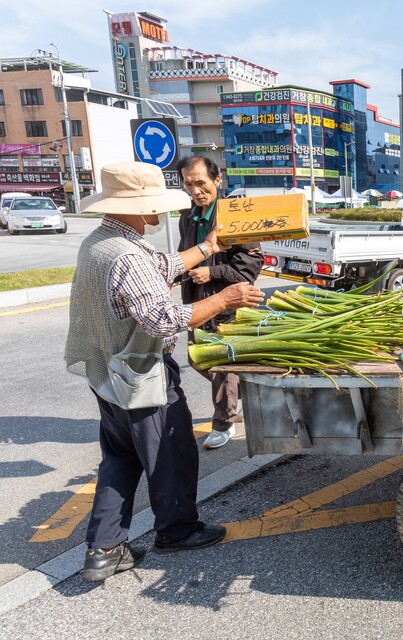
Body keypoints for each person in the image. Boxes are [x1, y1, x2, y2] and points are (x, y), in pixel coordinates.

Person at [65, 161, 264, 582]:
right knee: (170, 454)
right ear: (137, 207)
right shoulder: (127, 255)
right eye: (154, 205)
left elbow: (163, 266)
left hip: (109, 376)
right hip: (143, 376)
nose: (160, 213)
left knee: (120, 459)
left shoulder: (101, 242)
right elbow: (162, 319)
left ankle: (103, 549)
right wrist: (224, 298)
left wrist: (209, 247)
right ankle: (176, 531)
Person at [176, 156, 264, 450]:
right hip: (197, 302)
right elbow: (184, 255)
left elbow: (251, 265)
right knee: (196, 358)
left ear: (217, 180)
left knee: (223, 367)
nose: (195, 190)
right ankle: (244, 394)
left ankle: (223, 423)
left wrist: (212, 271)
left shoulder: (235, 215)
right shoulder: (187, 217)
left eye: (201, 182)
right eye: (189, 183)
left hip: (230, 304)